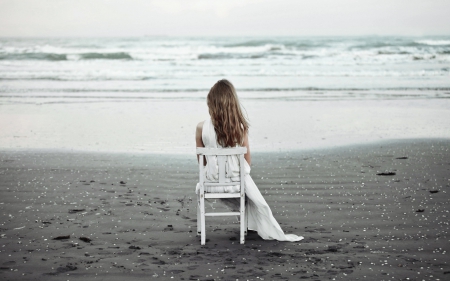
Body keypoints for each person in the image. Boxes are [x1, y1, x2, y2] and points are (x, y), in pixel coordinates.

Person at [195, 79, 303, 242]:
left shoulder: (200, 127)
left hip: (210, 183)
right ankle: (247, 225)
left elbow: (202, 163)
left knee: (205, 184)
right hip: (236, 184)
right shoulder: (240, 128)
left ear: (211, 104)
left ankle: (201, 231)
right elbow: (247, 162)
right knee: (246, 184)